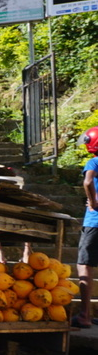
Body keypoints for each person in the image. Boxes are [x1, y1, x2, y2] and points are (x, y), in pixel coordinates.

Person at [76, 127, 98, 329]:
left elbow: (88, 181)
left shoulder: (94, 162)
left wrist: (93, 201)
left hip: (95, 223)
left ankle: (84, 315)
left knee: (84, 265)